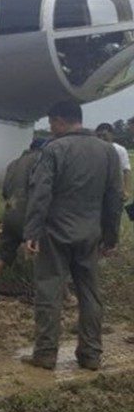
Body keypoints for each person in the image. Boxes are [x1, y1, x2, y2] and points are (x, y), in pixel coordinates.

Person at [22, 100, 123, 371]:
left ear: (59, 120)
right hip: (91, 233)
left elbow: (41, 193)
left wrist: (32, 231)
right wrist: (111, 236)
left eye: (52, 123)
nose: (51, 128)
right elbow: (115, 197)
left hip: (55, 233)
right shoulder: (108, 152)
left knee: (49, 290)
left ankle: (45, 354)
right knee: (90, 293)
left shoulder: (55, 149)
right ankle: (91, 354)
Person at [0, 138, 45, 299]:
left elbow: (5, 192)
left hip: (10, 213)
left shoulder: (13, 164)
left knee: (3, 256)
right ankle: (64, 296)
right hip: (29, 215)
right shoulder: (41, 161)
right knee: (47, 257)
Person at [95, 122, 131, 200]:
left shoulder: (119, 149)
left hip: (114, 190)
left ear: (112, 135)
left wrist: (127, 191)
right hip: (96, 189)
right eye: (99, 136)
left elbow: (126, 171)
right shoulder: (93, 149)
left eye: (104, 135)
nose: (101, 138)